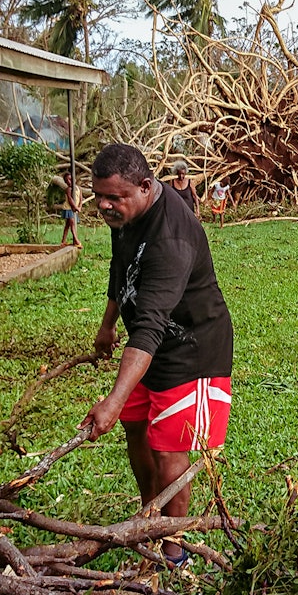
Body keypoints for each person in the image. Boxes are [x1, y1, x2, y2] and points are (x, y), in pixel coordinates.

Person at [81, 143, 234, 566]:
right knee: (136, 429)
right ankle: (148, 516)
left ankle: (174, 545)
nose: (104, 206)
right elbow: (120, 270)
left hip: (191, 352)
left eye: (115, 197)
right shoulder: (125, 217)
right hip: (144, 349)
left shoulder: (172, 236)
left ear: (146, 187)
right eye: (98, 196)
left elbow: (150, 326)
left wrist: (110, 400)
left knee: (170, 451)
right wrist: (108, 323)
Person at [60, 168, 82, 248]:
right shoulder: (68, 189)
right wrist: (75, 207)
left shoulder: (78, 188)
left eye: (70, 179)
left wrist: (79, 206)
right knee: (72, 224)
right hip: (68, 209)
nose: (69, 182)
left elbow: (80, 198)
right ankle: (76, 241)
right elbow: (70, 200)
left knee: (68, 225)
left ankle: (63, 241)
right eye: (67, 181)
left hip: (74, 209)